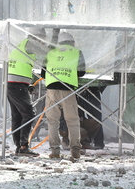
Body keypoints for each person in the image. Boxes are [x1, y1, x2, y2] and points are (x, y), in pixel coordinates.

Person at [41, 31, 86, 159]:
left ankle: (55, 151)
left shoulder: (50, 52)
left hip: (51, 89)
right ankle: (75, 150)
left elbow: (43, 73)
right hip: (68, 89)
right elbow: (81, 72)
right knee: (72, 120)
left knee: (52, 121)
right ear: (72, 42)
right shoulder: (77, 52)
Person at [7, 26, 47, 157]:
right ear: (37, 37)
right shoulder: (31, 43)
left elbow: (24, 65)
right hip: (17, 84)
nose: (42, 42)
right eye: (42, 39)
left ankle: (19, 146)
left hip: (14, 83)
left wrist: (29, 83)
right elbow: (45, 53)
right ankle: (23, 146)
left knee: (18, 115)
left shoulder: (23, 44)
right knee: (29, 114)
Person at [59, 85, 105, 150]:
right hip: (71, 88)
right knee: (69, 114)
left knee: (95, 119)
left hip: (91, 88)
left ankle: (88, 142)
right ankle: (67, 140)